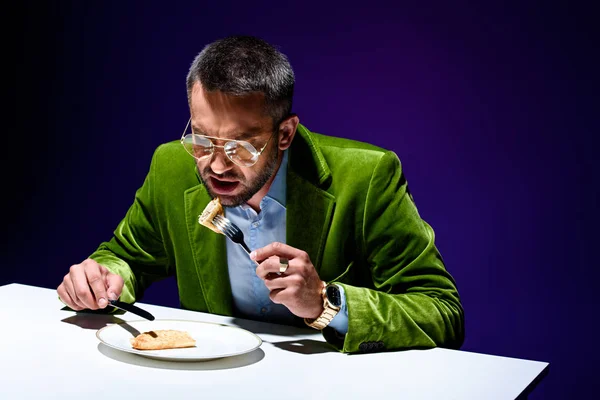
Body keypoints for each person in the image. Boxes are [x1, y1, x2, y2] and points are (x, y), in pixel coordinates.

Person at [57, 35, 464, 353]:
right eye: (202, 140)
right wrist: (104, 279)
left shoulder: (367, 176)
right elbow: (128, 257)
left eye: (241, 146)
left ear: (284, 133)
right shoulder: (171, 166)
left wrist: (326, 301)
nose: (216, 166)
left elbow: (442, 312)